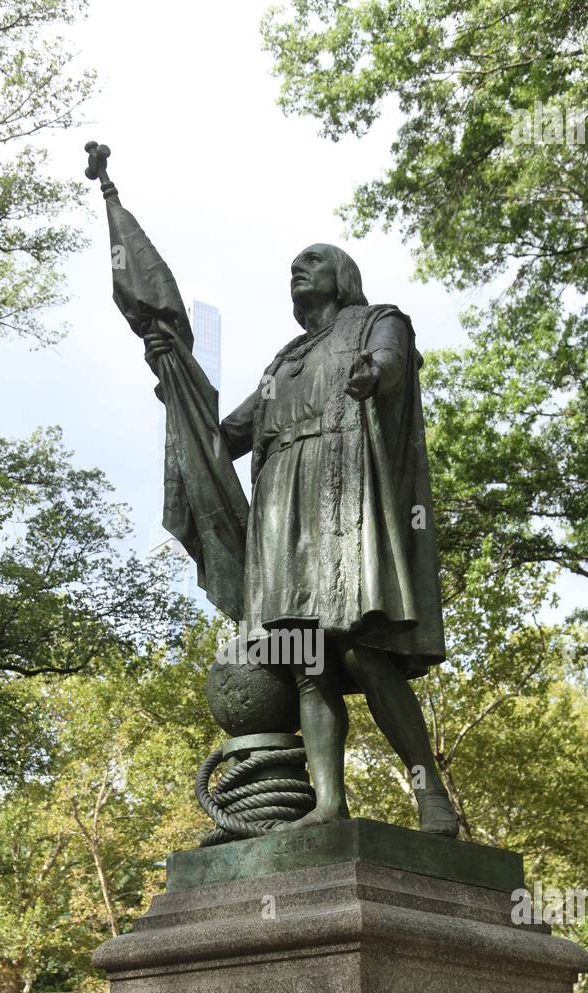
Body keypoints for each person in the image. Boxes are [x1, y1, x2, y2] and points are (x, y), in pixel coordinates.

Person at [144, 242, 459, 837]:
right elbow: (220, 440)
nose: (297, 270)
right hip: (282, 515)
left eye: (311, 262)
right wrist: (174, 377)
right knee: (307, 665)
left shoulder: (377, 320)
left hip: (344, 495)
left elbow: (392, 362)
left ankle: (432, 797)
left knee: (363, 651)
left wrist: (375, 373)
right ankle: (328, 804)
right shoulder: (282, 365)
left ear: (341, 276)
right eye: (292, 266)